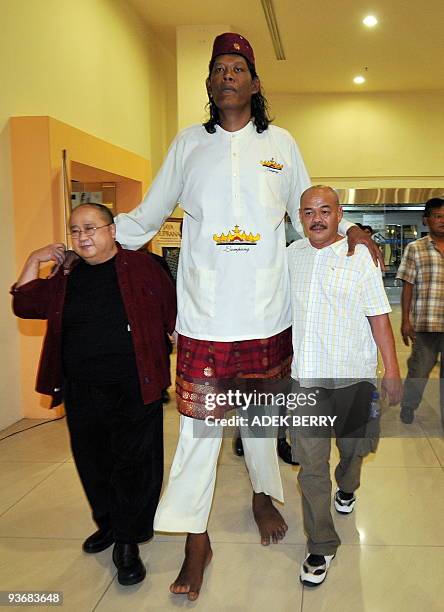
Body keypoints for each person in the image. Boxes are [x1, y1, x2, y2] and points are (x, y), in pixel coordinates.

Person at [113, 33, 382, 600]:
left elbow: (312, 209)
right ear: (209, 85)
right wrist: (87, 240)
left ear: (255, 83)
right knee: (198, 432)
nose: (228, 75)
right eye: (219, 69)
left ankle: (263, 495)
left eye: (238, 68)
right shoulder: (188, 145)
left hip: (266, 314)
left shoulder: (281, 143)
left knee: (261, 424)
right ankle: (194, 538)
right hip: (207, 317)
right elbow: (145, 216)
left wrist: (355, 227)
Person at [11, 203, 176, 587]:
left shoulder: (145, 266)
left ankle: (127, 539)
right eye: (75, 230)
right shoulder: (66, 274)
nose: (83, 237)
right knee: (93, 461)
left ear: (113, 230)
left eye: (91, 228)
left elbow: (173, 313)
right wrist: (36, 259)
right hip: (82, 388)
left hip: (137, 384)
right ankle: (108, 523)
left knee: (134, 464)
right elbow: (24, 303)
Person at [287, 185, 402, 587]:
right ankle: (320, 544)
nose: (316, 219)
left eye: (324, 210)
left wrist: (391, 370)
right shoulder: (291, 257)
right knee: (310, 466)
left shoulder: (361, 257)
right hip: (306, 381)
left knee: (354, 451)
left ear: (340, 215)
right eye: (308, 212)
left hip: (354, 379)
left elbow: (379, 317)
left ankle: (348, 487)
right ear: (299, 218)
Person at [396, 197, 444, 427]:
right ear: (427, 220)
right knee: (420, 369)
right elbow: (408, 285)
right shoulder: (415, 248)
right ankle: (409, 404)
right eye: (437, 216)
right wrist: (406, 320)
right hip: (426, 324)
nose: (442, 220)